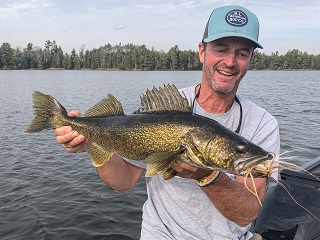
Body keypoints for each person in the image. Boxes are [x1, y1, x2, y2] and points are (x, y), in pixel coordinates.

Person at [54, 5, 280, 240]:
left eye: (242, 53)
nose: (230, 61)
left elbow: (247, 214)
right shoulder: (168, 108)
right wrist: (89, 142)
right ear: (202, 51)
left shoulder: (262, 124)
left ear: (250, 59)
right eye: (221, 49)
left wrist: (206, 175)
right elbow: (122, 182)